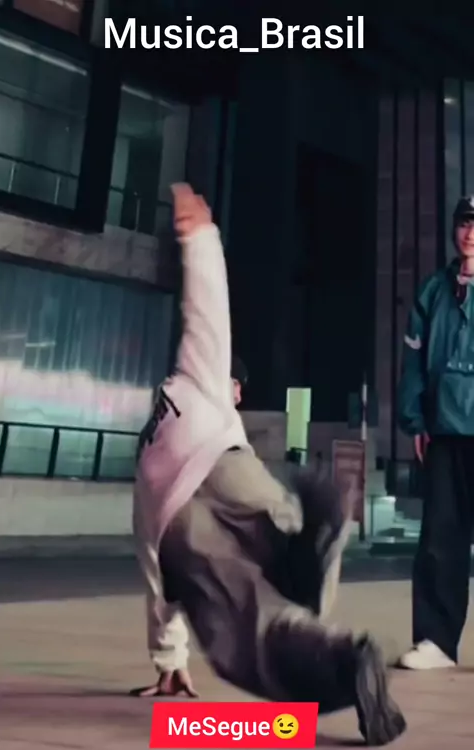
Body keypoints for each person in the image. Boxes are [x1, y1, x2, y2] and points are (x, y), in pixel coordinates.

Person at [132, 183, 406, 746]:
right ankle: (307, 544)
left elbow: (153, 572)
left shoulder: (160, 421)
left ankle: (338, 654)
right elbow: (207, 315)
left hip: (173, 521)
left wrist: (170, 657)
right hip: (227, 464)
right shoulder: (202, 382)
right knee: (284, 541)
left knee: (246, 635)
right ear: (233, 387)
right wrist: (201, 238)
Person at [398, 196, 474, 670]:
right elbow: (413, 363)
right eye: (465, 223)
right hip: (444, 429)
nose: (471, 233)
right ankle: (436, 641)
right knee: (441, 537)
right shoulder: (433, 291)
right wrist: (415, 419)